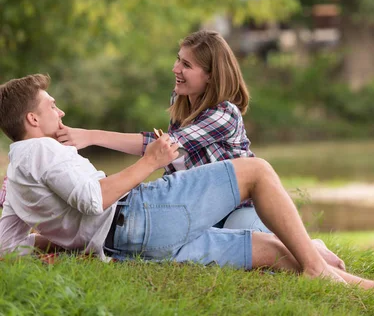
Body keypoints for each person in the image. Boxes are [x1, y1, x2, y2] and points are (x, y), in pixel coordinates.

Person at [0, 74, 374, 303]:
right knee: (255, 169)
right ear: (32, 120)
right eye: (51, 106)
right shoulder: (40, 152)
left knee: (274, 252)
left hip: (129, 245)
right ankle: (315, 262)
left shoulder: (18, 167)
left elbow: (9, 239)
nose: (60, 110)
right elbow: (94, 198)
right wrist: (151, 162)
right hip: (139, 218)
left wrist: (54, 242)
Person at [54, 29, 264, 231]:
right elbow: (161, 148)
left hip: (235, 210)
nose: (176, 68)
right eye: (178, 59)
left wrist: (91, 136)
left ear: (210, 75)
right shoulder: (182, 102)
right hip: (201, 210)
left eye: (186, 65)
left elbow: (165, 146)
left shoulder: (224, 114)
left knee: (246, 240)